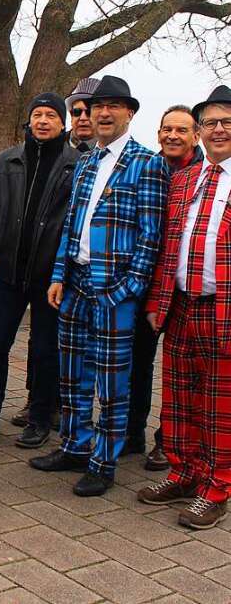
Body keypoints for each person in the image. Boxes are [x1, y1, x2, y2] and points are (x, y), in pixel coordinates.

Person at [31, 75, 167, 497]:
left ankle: (103, 461)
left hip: (115, 289)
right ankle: (74, 445)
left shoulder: (147, 163)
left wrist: (129, 287)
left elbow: (151, 235)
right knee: (71, 375)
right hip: (74, 284)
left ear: (129, 112)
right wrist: (58, 276)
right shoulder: (87, 161)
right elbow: (72, 225)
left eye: (113, 106)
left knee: (111, 382)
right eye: (97, 107)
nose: (102, 113)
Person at [140, 85, 231, 529]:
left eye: (226, 122)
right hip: (180, 308)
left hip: (223, 309)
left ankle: (216, 488)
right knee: (178, 400)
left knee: (219, 406)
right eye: (210, 123)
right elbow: (167, 247)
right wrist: (159, 301)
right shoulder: (186, 180)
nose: (218, 130)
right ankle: (183, 472)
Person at [0, 93, 79, 448]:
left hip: (51, 278)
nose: (43, 120)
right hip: (9, 273)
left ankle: (38, 418)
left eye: (51, 115)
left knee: (46, 350)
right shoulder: (7, 160)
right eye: (37, 114)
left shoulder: (77, 165)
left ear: (62, 123)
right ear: (29, 120)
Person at [127, 105, 202, 471]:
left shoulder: (204, 175)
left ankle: (167, 442)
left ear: (195, 136)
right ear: (158, 133)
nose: (173, 136)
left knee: (179, 372)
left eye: (181, 130)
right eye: (166, 129)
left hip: (183, 289)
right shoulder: (148, 168)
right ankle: (133, 432)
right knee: (138, 363)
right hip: (146, 283)